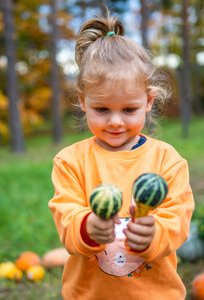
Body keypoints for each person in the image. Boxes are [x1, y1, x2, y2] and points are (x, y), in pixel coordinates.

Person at [48, 14, 195, 299]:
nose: (115, 121)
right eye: (102, 109)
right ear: (82, 100)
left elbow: (178, 219)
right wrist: (87, 227)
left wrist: (155, 233)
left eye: (129, 110)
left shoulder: (167, 160)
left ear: (148, 101)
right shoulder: (70, 162)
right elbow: (67, 219)